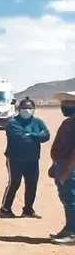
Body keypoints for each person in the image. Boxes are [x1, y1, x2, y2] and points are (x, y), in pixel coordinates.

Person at [0, 98, 50, 219]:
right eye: (23, 108)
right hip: (15, 159)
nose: (26, 110)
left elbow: (46, 135)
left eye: (29, 108)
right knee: (14, 183)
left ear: (33, 109)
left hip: (32, 160)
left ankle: (28, 209)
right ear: (19, 109)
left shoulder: (38, 122)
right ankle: (5, 209)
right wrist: (37, 136)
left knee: (32, 184)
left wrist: (32, 135)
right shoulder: (12, 123)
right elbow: (20, 138)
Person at [50, 92, 75, 245]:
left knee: (71, 198)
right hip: (62, 164)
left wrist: (67, 169)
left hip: (70, 166)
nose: (63, 106)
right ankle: (69, 228)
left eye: (68, 103)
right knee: (66, 197)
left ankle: (72, 233)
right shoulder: (68, 123)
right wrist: (54, 164)